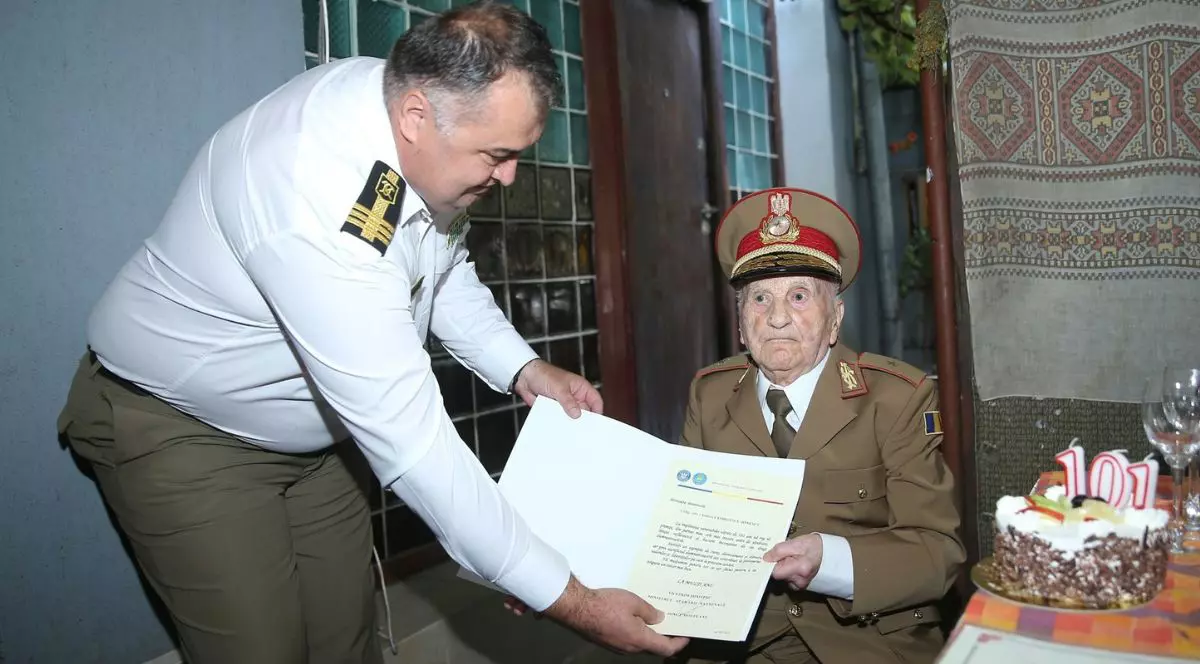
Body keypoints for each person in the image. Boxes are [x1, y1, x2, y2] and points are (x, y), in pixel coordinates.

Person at [55, 3, 687, 662]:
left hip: (317, 435)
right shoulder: (311, 194)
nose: (509, 177)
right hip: (184, 430)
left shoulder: (400, 112)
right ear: (417, 116)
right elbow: (420, 453)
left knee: (345, 644)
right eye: (498, 155)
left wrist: (522, 368)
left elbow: (437, 265)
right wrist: (579, 604)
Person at [672, 188, 965, 663]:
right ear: (742, 324)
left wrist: (829, 562)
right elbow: (678, 527)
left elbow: (938, 553)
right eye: (760, 298)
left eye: (800, 295)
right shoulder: (708, 396)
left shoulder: (896, 399)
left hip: (865, 641)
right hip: (738, 643)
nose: (779, 317)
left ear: (836, 318)